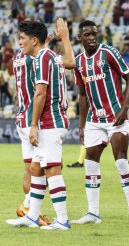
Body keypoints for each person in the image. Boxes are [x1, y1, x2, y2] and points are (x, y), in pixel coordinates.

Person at [6, 19, 75, 230]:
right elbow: (70, 62)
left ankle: (62, 220)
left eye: (23, 39)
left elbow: (41, 92)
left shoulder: (42, 58)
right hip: (51, 119)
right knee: (36, 169)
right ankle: (32, 216)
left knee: (52, 169)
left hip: (49, 121)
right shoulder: (49, 56)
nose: (20, 43)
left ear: (34, 40)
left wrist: (34, 124)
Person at [71, 20, 129, 225]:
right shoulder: (78, 62)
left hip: (115, 117)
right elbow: (82, 96)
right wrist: (82, 124)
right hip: (94, 120)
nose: (92, 38)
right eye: (87, 35)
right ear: (80, 38)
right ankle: (93, 213)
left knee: (120, 161)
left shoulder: (108, 53)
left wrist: (125, 108)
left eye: (94, 34)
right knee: (90, 165)